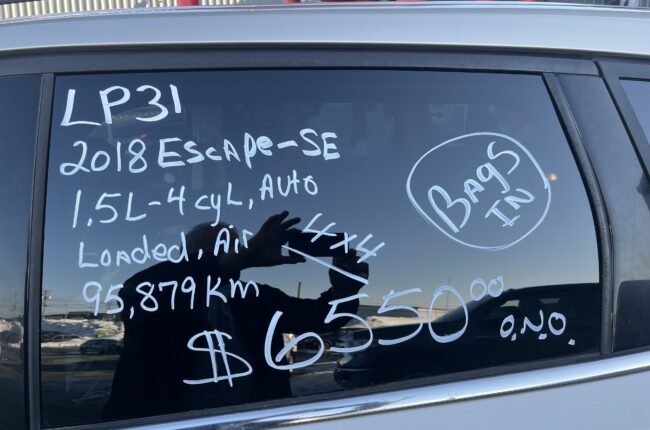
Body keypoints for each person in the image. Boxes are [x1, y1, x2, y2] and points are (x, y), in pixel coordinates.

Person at [103, 211, 369, 419]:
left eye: (236, 246)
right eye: (225, 247)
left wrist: (344, 288)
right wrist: (231, 261)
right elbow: (137, 292)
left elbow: (319, 317)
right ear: (190, 256)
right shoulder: (156, 290)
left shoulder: (256, 297)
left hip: (251, 420)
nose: (241, 251)